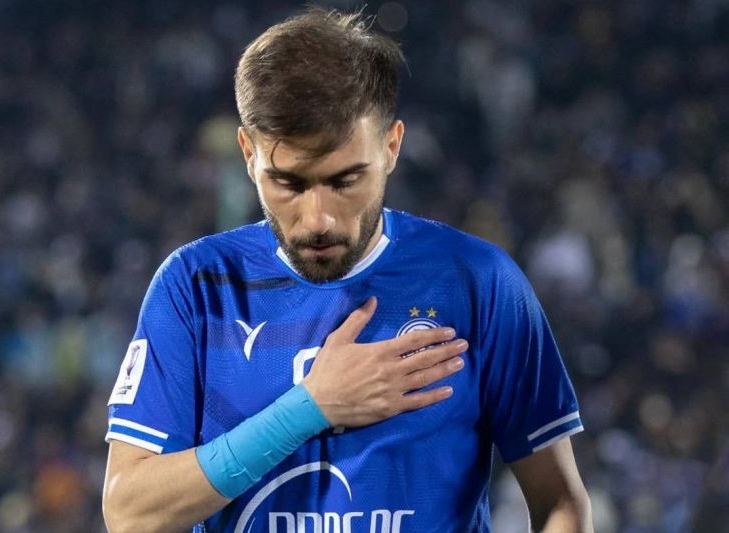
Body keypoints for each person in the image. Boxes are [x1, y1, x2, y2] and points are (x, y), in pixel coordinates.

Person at [102, 7, 592, 533]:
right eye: (289, 183)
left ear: (391, 147)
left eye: (345, 181)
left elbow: (560, 504)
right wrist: (310, 407)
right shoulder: (196, 286)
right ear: (248, 154)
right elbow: (130, 514)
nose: (318, 219)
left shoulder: (478, 282)